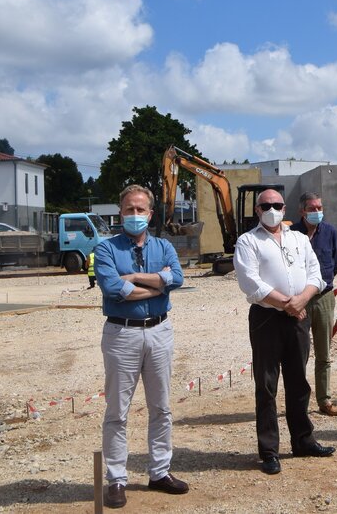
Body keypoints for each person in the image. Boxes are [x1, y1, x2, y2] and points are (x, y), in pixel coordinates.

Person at [95, 184, 188, 509]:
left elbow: (178, 277)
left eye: (140, 210)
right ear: (120, 213)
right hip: (122, 335)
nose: (135, 215)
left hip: (160, 331)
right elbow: (112, 287)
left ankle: (160, 471)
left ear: (150, 213)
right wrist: (157, 284)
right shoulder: (105, 249)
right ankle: (117, 479)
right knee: (117, 412)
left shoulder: (163, 246)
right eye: (129, 209)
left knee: (161, 407)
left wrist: (134, 277)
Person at [234, 189, 336, 475]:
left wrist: (302, 300)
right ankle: (269, 450)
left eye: (277, 205)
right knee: (266, 385)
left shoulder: (299, 239)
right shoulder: (248, 241)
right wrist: (286, 303)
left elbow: (316, 274)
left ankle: (303, 440)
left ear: (285, 207)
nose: (272, 209)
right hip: (267, 318)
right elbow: (250, 282)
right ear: (257, 209)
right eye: (266, 205)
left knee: (298, 381)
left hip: (298, 317)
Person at [289, 192, 337, 416]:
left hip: (323, 298)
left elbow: (336, 261)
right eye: (312, 208)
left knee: (324, 352)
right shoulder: (291, 234)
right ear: (302, 211)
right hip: (299, 300)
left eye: (320, 207)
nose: (317, 212)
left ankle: (324, 400)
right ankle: (297, 403)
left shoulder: (330, 232)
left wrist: (324, 285)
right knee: (297, 353)